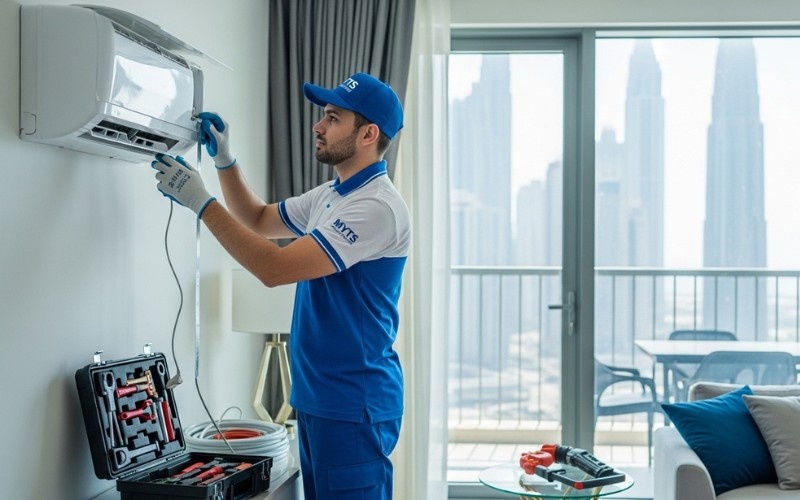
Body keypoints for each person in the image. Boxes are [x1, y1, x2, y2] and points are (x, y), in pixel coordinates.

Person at [152, 72, 410, 499]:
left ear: (368, 134)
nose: (318, 125)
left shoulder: (376, 207)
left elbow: (274, 269)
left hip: (353, 403)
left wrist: (199, 201)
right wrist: (225, 161)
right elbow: (258, 219)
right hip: (319, 396)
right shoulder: (334, 194)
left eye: (332, 117)